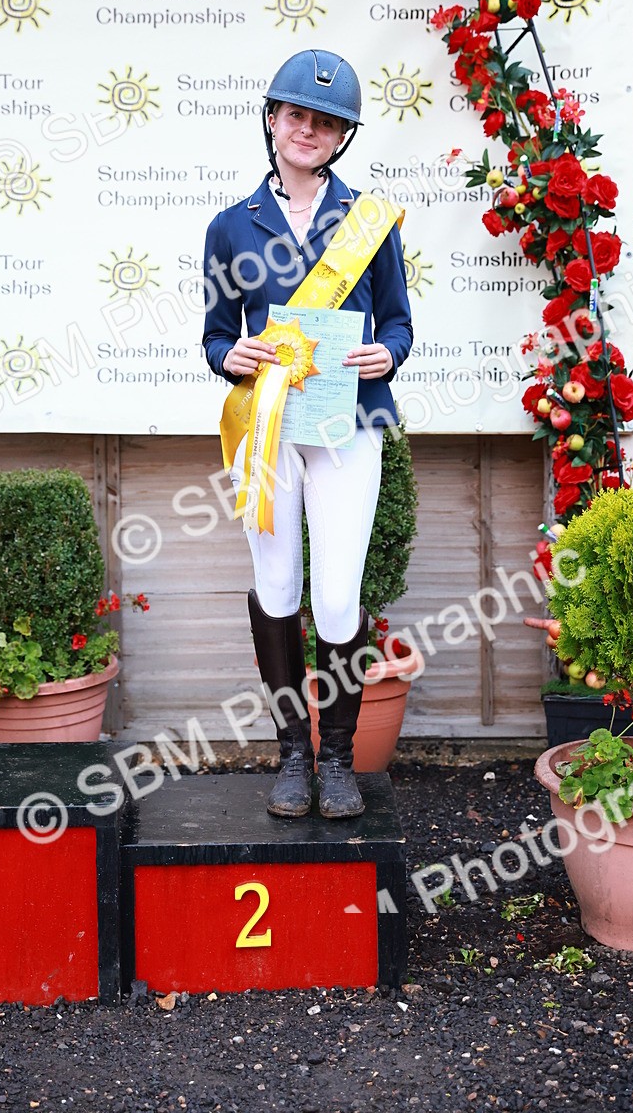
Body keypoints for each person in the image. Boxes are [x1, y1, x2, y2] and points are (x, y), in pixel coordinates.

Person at [203, 48, 412, 820]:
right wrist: (231, 355)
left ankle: (338, 759)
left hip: (346, 427)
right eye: (297, 115)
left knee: (335, 597)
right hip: (268, 431)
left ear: (341, 137)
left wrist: (389, 353)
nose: (309, 131)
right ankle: (292, 755)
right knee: (278, 587)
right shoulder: (231, 227)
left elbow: (398, 321)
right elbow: (215, 334)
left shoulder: (368, 222)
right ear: (272, 119)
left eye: (326, 123)